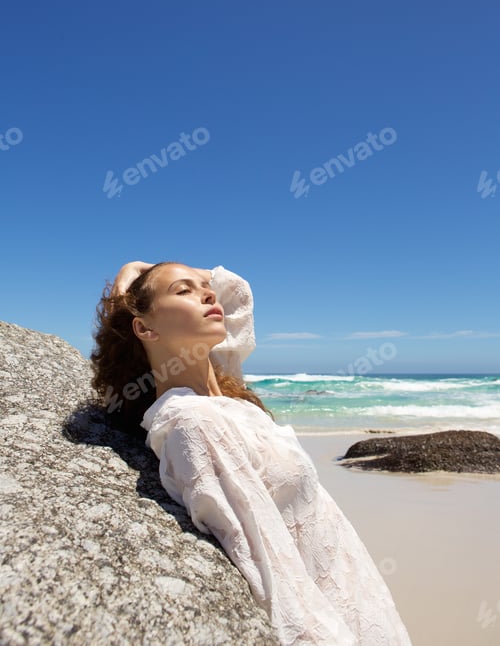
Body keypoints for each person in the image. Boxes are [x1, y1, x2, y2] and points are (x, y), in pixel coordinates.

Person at [91, 260, 413, 646]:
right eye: (183, 291)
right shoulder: (194, 426)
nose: (208, 293)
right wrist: (129, 294)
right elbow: (271, 572)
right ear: (144, 329)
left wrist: (131, 276)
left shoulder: (228, 399)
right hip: (338, 625)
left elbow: (236, 293)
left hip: (365, 604)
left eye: (203, 287)